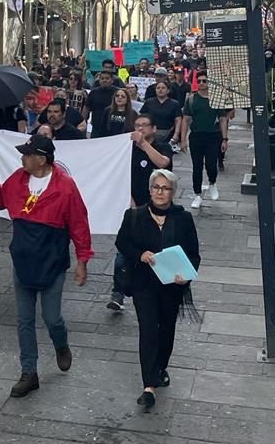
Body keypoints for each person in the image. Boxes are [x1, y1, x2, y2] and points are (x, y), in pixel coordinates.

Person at [0, 135, 92, 398]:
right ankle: (29, 372)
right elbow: (0, 200)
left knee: (52, 317)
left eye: (27, 154)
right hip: (23, 261)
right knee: (24, 319)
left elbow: (79, 224)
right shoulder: (17, 179)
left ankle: (60, 343)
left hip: (51, 261)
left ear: (42, 159)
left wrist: (82, 261)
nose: (22, 158)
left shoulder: (65, 187)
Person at [115, 169, 200, 409]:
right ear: (150, 190)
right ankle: (149, 385)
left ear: (172, 192)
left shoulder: (183, 218)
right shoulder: (134, 216)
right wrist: (140, 254)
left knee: (166, 329)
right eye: (156, 187)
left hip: (172, 285)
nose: (160, 192)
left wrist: (186, 276)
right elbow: (122, 242)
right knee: (148, 329)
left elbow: (193, 253)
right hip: (144, 284)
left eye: (165, 188)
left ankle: (161, 366)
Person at [108, 114, 174, 313]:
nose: (140, 128)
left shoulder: (162, 146)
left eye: (144, 125)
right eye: (136, 125)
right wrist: (127, 197)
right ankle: (118, 293)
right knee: (124, 252)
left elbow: (163, 163)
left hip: (158, 210)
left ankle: (162, 287)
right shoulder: (126, 149)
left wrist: (143, 144)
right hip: (134, 209)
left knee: (159, 248)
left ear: (153, 128)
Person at [182, 71, 228, 209]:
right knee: (197, 166)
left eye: (205, 81)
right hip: (196, 136)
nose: (202, 83)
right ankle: (197, 194)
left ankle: (212, 183)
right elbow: (185, 120)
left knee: (211, 164)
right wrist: (182, 139)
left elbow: (222, 119)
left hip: (213, 136)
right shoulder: (191, 99)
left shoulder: (216, 99)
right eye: (200, 81)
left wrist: (225, 139)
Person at [140, 80, 182, 145]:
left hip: (168, 133)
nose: (160, 90)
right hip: (150, 133)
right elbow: (142, 117)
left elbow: (178, 120)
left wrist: (176, 134)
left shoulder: (174, 104)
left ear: (168, 90)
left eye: (163, 88)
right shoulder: (149, 102)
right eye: (158, 88)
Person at [84, 70, 117, 138]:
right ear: (99, 80)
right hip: (96, 128)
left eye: (107, 78)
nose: (104, 80)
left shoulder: (117, 93)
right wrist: (84, 121)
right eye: (102, 78)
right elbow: (86, 108)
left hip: (113, 128)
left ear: (112, 80)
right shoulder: (93, 92)